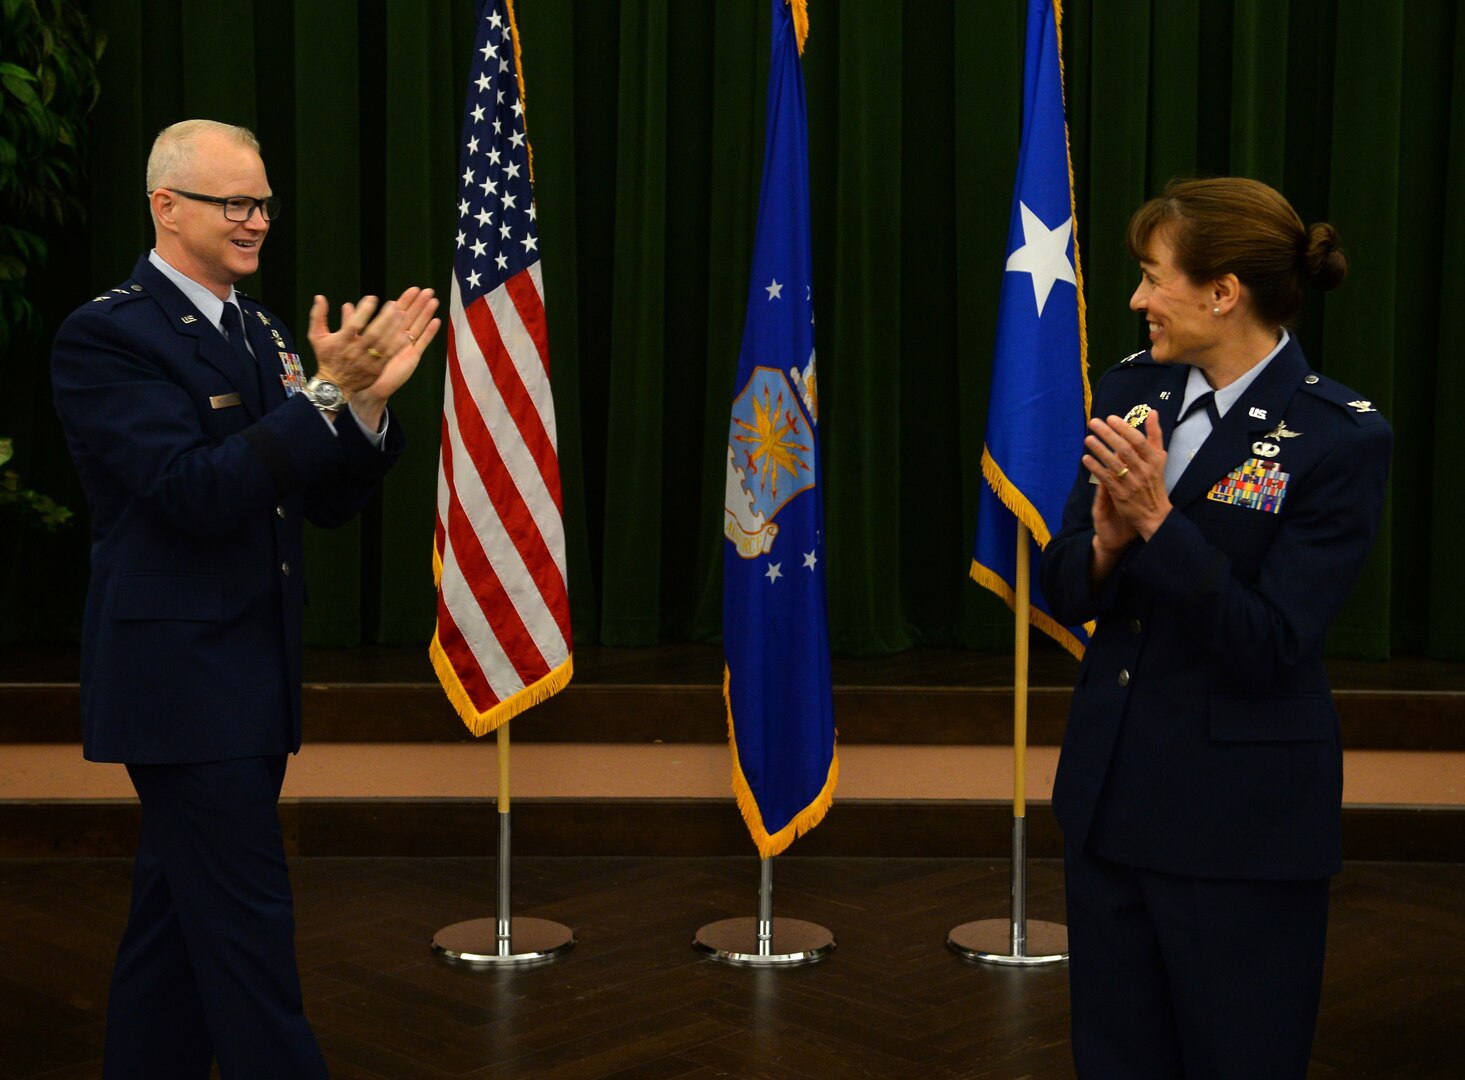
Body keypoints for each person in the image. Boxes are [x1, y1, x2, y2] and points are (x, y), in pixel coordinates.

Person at [51, 119, 441, 1077]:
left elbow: (323, 504)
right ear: (166, 205)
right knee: (248, 942)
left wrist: (360, 406)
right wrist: (317, 400)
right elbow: (194, 494)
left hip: (250, 679)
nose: (256, 219)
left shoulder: (260, 329)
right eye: (234, 201)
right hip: (180, 689)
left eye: (262, 200)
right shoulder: (108, 333)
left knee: (174, 940)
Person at [1040, 177, 1392, 1078]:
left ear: (1222, 291)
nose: (1136, 300)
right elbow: (1063, 581)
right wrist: (1110, 546)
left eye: (1154, 277)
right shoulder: (1130, 388)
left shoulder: (1337, 438)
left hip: (1237, 827)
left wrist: (1158, 524)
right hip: (1111, 802)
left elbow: (1271, 640)